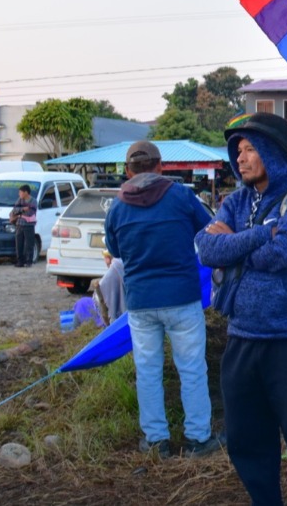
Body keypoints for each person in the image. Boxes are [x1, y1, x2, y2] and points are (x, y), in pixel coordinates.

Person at [195, 111, 287, 506]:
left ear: (271, 152)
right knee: (246, 440)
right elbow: (206, 249)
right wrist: (260, 234)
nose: (241, 158)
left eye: (250, 149)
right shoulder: (235, 202)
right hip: (241, 339)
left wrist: (235, 246)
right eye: (238, 151)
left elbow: (285, 252)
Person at [103, 140, 220, 460]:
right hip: (182, 297)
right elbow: (209, 229)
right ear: (160, 166)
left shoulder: (117, 206)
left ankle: (156, 441)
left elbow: (114, 251)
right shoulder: (181, 196)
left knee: (148, 370)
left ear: (128, 171)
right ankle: (198, 439)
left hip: (140, 302)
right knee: (193, 368)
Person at [10, 184, 37, 267]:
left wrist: (19, 214)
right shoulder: (19, 200)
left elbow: (30, 213)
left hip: (29, 225)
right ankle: (20, 261)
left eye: (21, 192)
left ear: (26, 192)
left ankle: (29, 261)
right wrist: (22, 210)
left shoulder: (33, 201)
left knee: (29, 244)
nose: (19, 194)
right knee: (19, 244)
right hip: (19, 225)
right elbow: (14, 210)